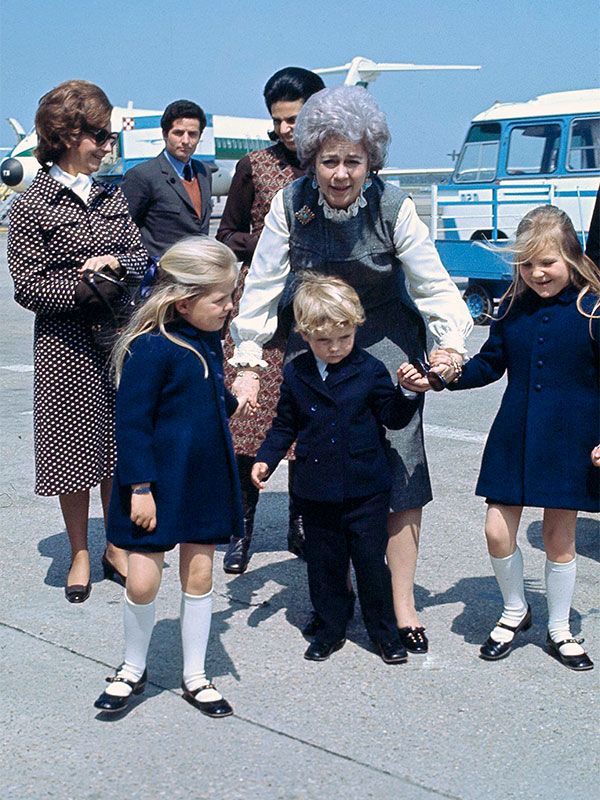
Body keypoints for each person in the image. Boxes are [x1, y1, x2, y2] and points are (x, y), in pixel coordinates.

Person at [230, 86, 473, 652]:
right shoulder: (290, 205)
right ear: (311, 157)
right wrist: (247, 359)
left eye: (353, 161)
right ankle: (333, 597)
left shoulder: (395, 206)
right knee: (326, 463)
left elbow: (434, 285)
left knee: (402, 472)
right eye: (329, 160)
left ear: (372, 161)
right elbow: (263, 288)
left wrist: (449, 345)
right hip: (316, 337)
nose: (340, 174)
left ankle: (402, 602)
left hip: (386, 341)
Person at [400, 205, 599, 671]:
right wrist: (441, 377)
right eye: (527, 265)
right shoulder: (511, 307)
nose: (537, 273)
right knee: (496, 528)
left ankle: (560, 628)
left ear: (570, 256)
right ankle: (515, 609)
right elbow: (490, 366)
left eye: (546, 262)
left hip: (571, 438)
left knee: (559, 537)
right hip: (515, 433)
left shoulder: (593, 308)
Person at [7, 80, 148, 602]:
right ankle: (80, 553)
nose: (108, 146)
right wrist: (87, 286)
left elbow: (138, 261)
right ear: (68, 135)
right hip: (64, 345)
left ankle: (114, 545)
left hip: (117, 340)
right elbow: (29, 286)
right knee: (72, 451)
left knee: (118, 443)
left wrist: (113, 267)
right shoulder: (32, 205)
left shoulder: (113, 196)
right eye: (101, 136)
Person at [94, 237, 244, 716]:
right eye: (221, 298)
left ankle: (196, 676)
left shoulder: (210, 339)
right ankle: (132, 667)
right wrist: (139, 488)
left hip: (203, 479)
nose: (229, 306)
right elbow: (132, 423)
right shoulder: (150, 348)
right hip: (154, 484)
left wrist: (233, 398)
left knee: (199, 575)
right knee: (141, 582)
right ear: (185, 301)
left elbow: (206, 400)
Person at [252, 274, 417, 663]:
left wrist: (408, 391)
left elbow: (392, 417)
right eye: (324, 341)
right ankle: (330, 627)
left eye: (344, 338)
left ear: (355, 328)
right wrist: (266, 459)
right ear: (305, 336)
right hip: (316, 487)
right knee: (324, 563)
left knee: (370, 563)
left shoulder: (371, 369)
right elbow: (285, 424)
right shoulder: (296, 372)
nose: (336, 348)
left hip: (365, 488)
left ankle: (384, 631)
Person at [217, 67, 325, 574]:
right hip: (263, 317)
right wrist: (268, 243)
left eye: (295, 119)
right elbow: (228, 234)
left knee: (308, 429)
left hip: (319, 316)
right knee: (246, 429)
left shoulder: (334, 164)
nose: (286, 130)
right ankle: (241, 532)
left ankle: (300, 524)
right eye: (278, 120)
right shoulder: (254, 166)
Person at [122, 100, 212, 257]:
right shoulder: (143, 175)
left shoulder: (204, 172)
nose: (186, 141)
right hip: (162, 275)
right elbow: (124, 230)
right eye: (178, 133)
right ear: (164, 134)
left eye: (192, 134)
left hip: (198, 270)